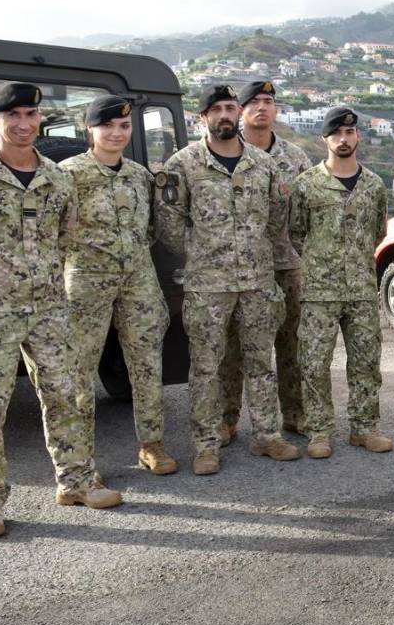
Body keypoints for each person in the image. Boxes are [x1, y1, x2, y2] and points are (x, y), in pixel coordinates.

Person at [0, 82, 121, 539]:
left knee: (67, 394)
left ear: (40, 119)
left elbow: (66, 236)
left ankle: (75, 482)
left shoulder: (57, 178)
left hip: (50, 308)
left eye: (30, 115)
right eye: (11, 116)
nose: (23, 124)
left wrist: (38, 279)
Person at [155, 84, 300, 475]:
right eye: (215, 109)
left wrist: (253, 251)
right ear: (202, 117)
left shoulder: (262, 164)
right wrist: (204, 252)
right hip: (208, 285)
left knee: (261, 362)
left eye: (229, 107)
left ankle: (268, 435)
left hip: (257, 280)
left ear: (238, 113)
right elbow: (168, 227)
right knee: (206, 368)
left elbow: (276, 219)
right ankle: (206, 445)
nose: (224, 114)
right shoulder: (182, 165)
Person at [60, 95, 175, 474]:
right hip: (86, 280)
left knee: (146, 363)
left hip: (137, 278)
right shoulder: (67, 175)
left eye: (123, 126)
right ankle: (80, 458)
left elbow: (153, 228)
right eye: (107, 125)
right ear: (89, 129)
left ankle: (151, 444)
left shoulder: (140, 175)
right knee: (79, 369)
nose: (116, 133)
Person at [289, 108, 392, 458]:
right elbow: (297, 232)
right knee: (315, 362)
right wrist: (323, 261)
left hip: (362, 288)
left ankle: (364, 428)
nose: (343, 139)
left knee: (365, 361)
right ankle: (319, 430)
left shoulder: (374, 185)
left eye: (350, 132)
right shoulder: (307, 185)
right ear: (325, 139)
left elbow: (379, 230)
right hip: (320, 290)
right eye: (336, 133)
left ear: (358, 136)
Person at [218, 80, 311, 443]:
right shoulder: (224, 151)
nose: (261, 107)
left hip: (287, 264)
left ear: (276, 110)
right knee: (234, 348)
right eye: (253, 102)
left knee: (292, 344)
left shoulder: (295, 157)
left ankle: (295, 413)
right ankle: (227, 419)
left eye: (268, 101)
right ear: (240, 110)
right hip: (237, 268)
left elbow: (305, 211)